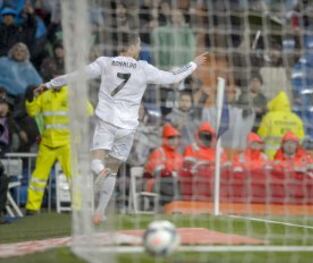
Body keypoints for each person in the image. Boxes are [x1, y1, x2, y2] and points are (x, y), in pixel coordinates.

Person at [40, 32, 207, 224]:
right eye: (138, 45)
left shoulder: (105, 63)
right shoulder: (143, 68)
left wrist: (50, 84)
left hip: (107, 122)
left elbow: (77, 75)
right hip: (127, 127)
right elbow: (173, 78)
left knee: (97, 161)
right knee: (113, 169)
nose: (140, 49)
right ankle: (99, 212)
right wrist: (192, 64)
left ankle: (98, 170)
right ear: (133, 47)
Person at [24, 85, 93, 214]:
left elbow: (88, 111)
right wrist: (30, 99)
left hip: (68, 142)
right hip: (47, 142)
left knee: (73, 176)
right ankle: (32, 207)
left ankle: (77, 207)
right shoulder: (45, 94)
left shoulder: (72, 93)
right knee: (38, 177)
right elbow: (32, 111)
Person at [258, 91, 305, 159]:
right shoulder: (296, 119)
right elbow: (301, 139)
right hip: (290, 157)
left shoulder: (269, 117)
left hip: (271, 156)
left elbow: (261, 136)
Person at [144, 123, 183, 205]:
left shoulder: (178, 155)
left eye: (176, 138)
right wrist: (173, 174)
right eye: (171, 138)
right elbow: (159, 173)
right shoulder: (158, 152)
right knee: (168, 183)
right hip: (156, 184)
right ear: (164, 139)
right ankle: (171, 206)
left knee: (183, 185)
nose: (174, 141)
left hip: (174, 183)